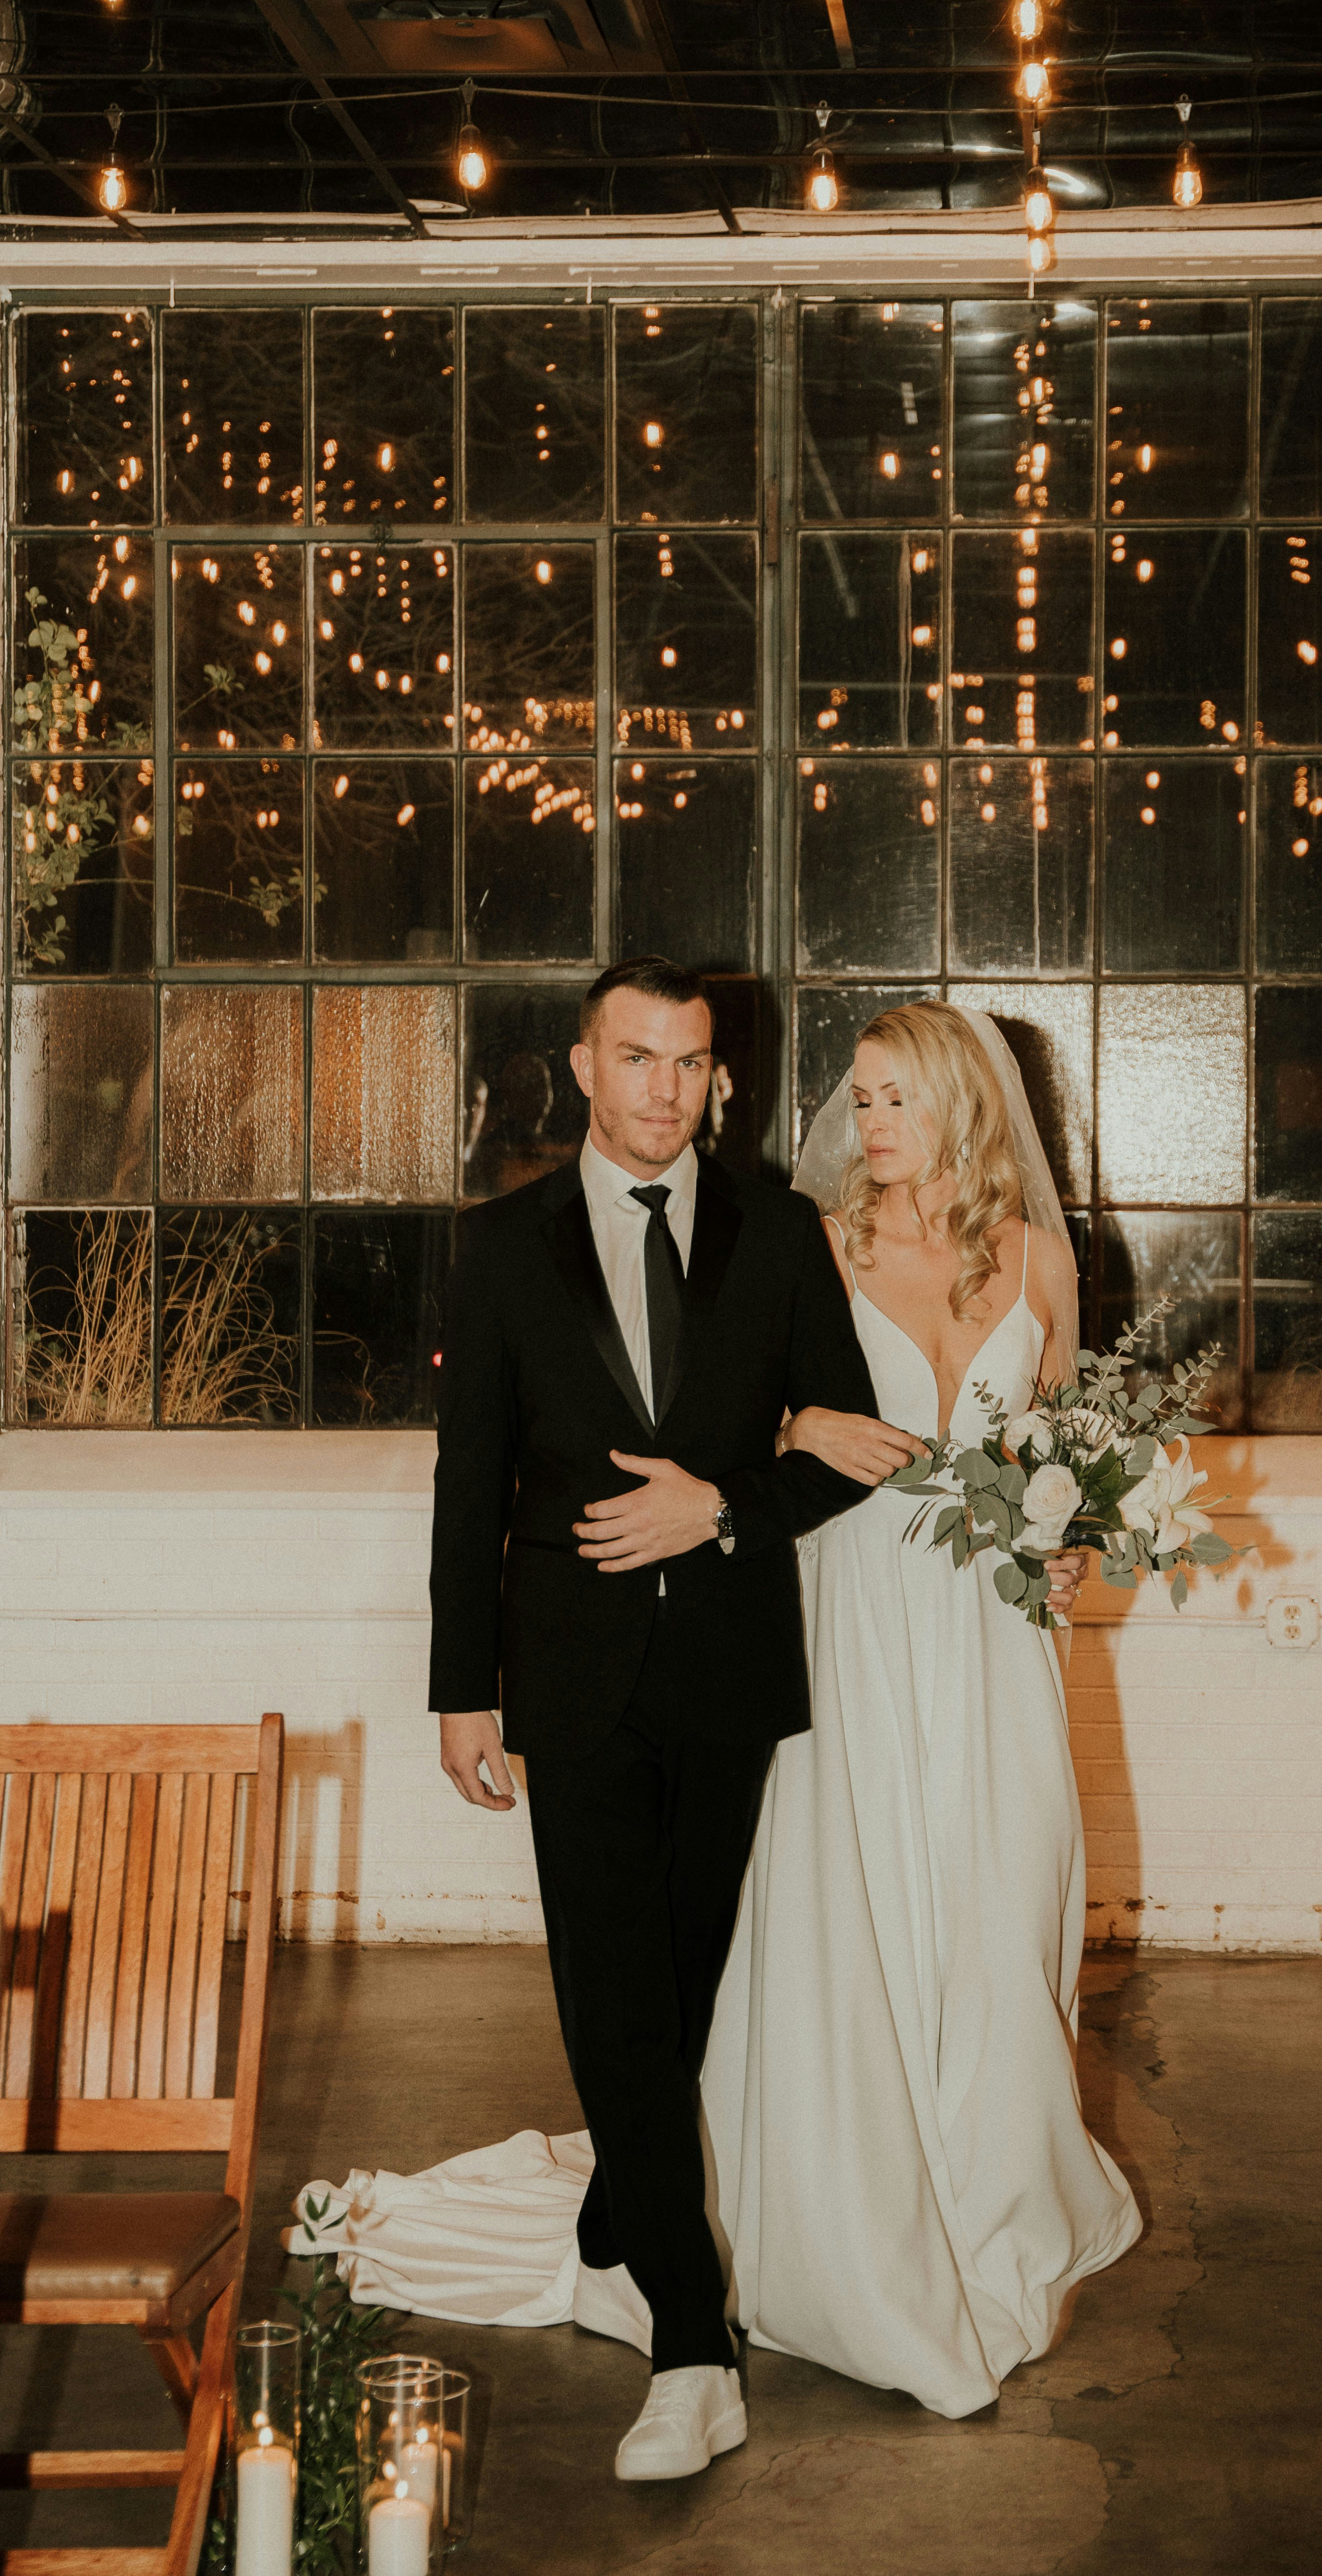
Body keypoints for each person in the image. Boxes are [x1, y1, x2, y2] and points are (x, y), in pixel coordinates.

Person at [427, 953, 878, 2483]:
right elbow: (469, 1478)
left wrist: (721, 1509)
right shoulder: (502, 1248)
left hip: (731, 1667)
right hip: (568, 1674)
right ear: (582, 1063)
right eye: (636, 1059)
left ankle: (622, 2213)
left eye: (689, 1064)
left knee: (676, 1977)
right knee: (610, 1982)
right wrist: (460, 1684)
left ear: (718, 1079)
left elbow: (844, 1446)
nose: (663, 1090)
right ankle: (695, 2343)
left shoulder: (783, 1234)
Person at [700, 998, 1143, 2416]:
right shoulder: (815, 1246)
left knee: (1000, 1892)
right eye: (858, 1096)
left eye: (892, 1097)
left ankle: (995, 2182)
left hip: (998, 1629)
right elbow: (721, 1423)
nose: (864, 1122)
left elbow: (1066, 1443)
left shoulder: (1034, 1260)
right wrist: (798, 1425)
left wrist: (1080, 1532)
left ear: (960, 1103)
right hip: (855, 1608)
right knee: (866, 1891)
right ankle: (855, 2206)